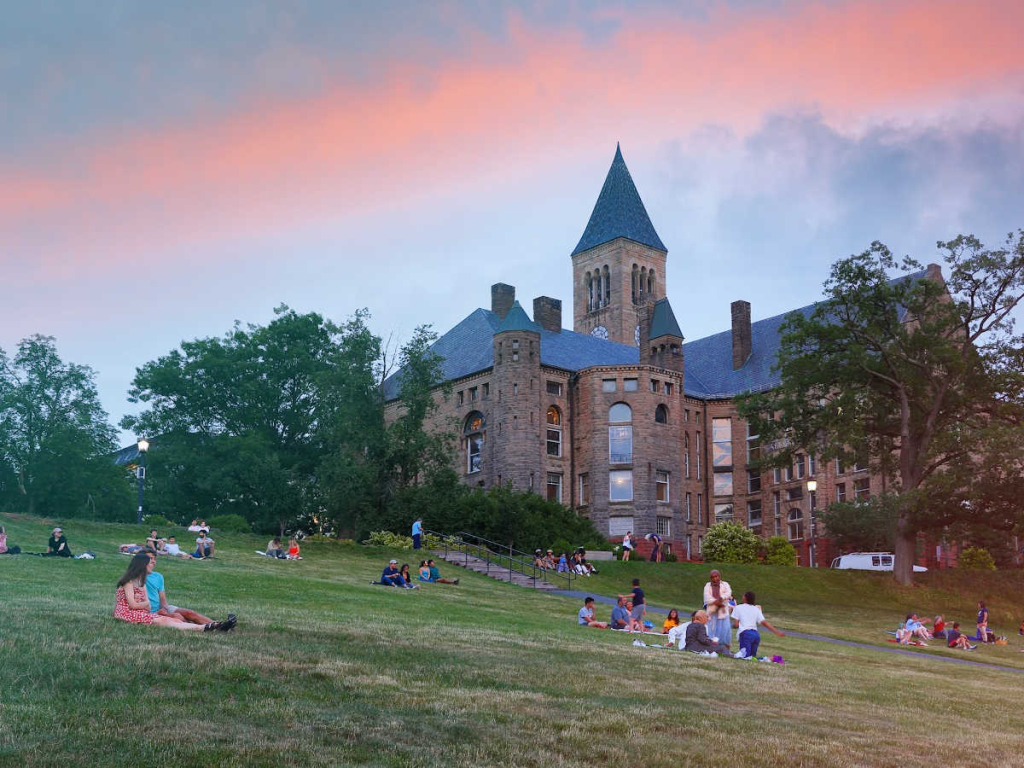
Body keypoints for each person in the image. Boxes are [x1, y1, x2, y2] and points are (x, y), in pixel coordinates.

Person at [113, 553, 225, 631]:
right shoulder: (128, 582)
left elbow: (147, 607)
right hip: (127, 614)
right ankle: (202, 628)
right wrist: (142, 604)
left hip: (142, 612)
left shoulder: (143, 584)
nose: (153, 563)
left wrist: (142, 604)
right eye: (149, 562)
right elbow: (133, 606)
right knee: (165, 620)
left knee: (173, 617)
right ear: (142, 565)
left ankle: (214, 625)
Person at [144, 551, 236, 630]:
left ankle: (220, 625)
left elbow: (163, 600)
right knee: (177, 616)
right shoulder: (134, 576)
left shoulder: (158, 576)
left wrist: (165, 610)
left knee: (189, 613)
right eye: (150, 558)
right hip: (149, 612)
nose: (153, 561)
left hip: (161, 608)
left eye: (154, 559)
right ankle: (208, 628)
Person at [731, 591, 785, 658]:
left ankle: (771, 658)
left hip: (746, 634)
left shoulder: (738, 607)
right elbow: (764, 623)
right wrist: (777, 632)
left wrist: (732, 626)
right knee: (752, 658)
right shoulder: (756, 609)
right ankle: (771, 658)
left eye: (743, 595)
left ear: (745, 598)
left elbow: (736, 625)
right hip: (756, 635)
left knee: (744, 657)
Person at [702, 569, 733, 650]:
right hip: (712, 612)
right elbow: (707, 598)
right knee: (711, 630)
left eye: (716, 576)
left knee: (725, 629)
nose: (715, 579)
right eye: (712, 577)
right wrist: (718, 602)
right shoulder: (707, 586)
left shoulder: (725, 584)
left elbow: (728, 593)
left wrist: (721, 598)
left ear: (719, 576)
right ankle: (710, 648)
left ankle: (724, 648)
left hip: (723, 612)